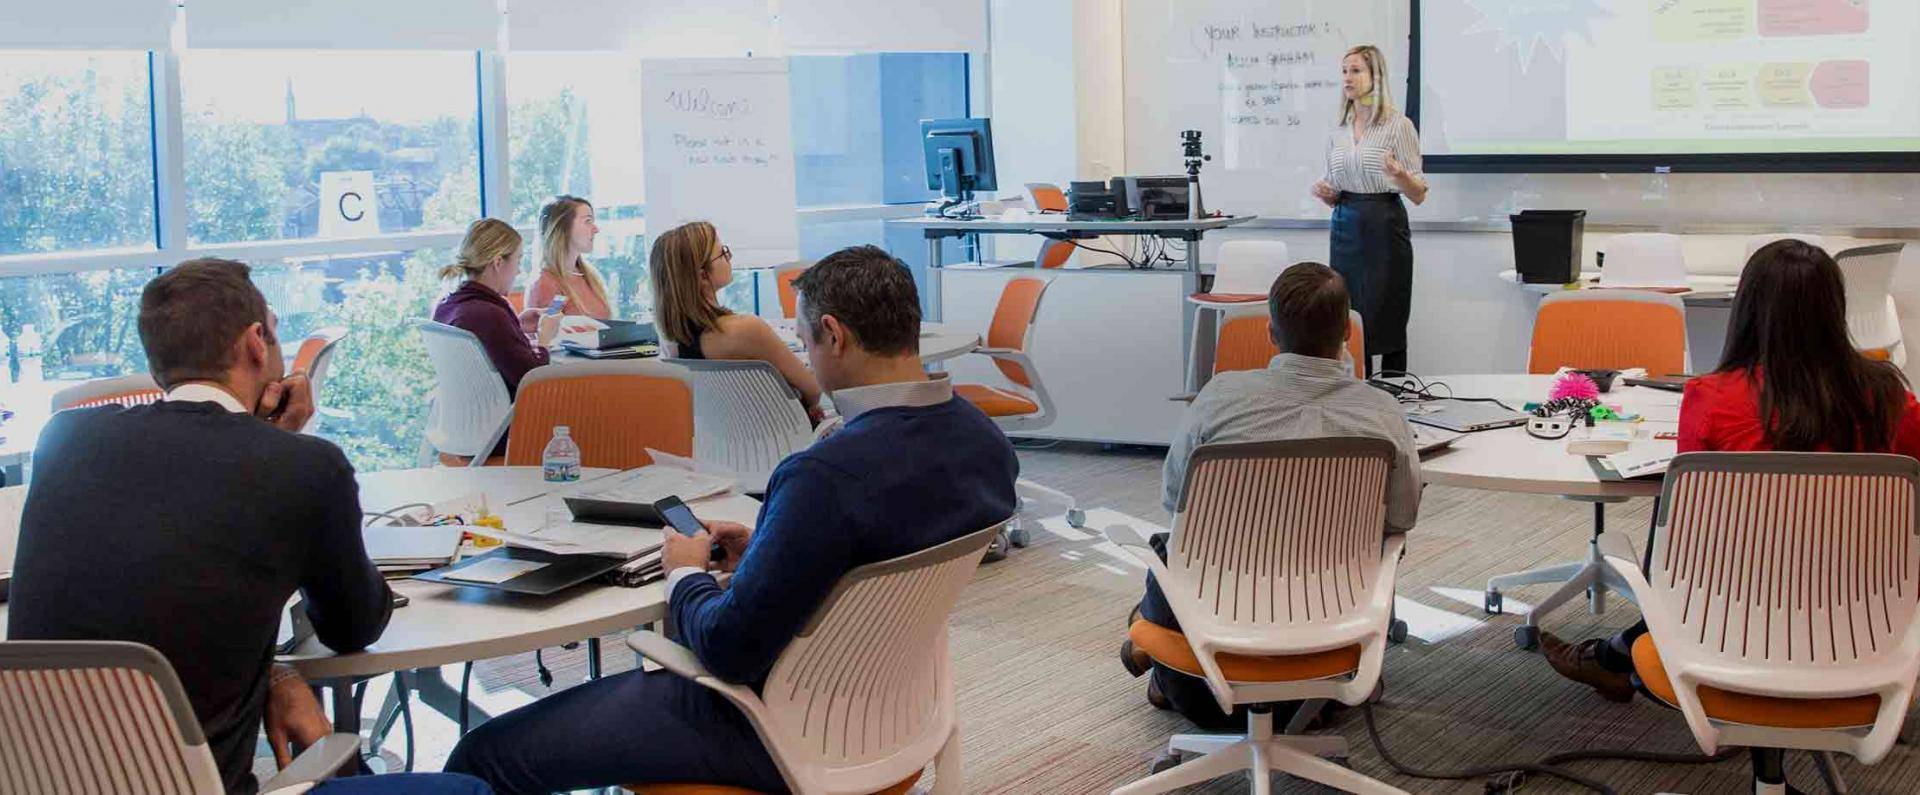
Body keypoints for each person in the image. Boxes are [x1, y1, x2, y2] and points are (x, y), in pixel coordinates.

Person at [445, 245, 1019, 794]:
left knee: (480, 757)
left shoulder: (825, 477)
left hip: (772, 725)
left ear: (835, 336)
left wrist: (685, 574)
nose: (808, 361)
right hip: (898, 710)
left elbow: (728, 649)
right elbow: (872, 553)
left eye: (807, 343)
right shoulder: (987, 447)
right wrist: (772, 547)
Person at [7, 259, 489, 795]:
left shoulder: (64, 439)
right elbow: (353, 627)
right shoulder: (304, 468)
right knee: (467, 789)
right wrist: (284, 443)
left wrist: (274, 673)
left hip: (40, 783)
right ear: (257, 342)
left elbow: (163, 592)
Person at [1542, 240, 1920, 701]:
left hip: (1732, 614)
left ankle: (1623, 654)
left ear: (1747, 310)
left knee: (1675, 539)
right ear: (1833, 308)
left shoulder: (1713, 397)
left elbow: (1688, 515)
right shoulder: (1893, 400)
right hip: (1865, 616)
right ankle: (1621, 654)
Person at [1122, 262, 1423, 729]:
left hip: (1207, 675)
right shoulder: (1383, 412)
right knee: (1380, 551)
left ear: (1270, 331)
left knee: (1168, 548)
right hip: (1330, 670)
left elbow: (1173, 496)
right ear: (1347, 331)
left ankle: (1155, 648)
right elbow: (1402, 516)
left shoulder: (1220, 397)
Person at [1310, 44, 1427, 378]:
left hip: (1385, 226)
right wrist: (1326, 194)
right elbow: (1335, 185)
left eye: (1356, 70)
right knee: (1349, 314)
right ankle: (1356, 394)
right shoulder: (1338, 130)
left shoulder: (1398, 125)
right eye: (1344, 70)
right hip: (1345, 225)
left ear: (1376, 76)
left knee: (1387, 313)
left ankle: (1393, 395)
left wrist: (1400, 175)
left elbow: (1418, 194)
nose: (1348, 77)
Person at [649, 220, 825, 422]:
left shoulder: (671, 341)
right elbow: (813, 389)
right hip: (784, 437)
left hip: (723, 445)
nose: (729, 258)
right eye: (723, 253)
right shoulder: (746, 330)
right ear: (703, 276)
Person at [434, 219, 560, 459]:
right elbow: (533, 380)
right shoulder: (489, 315)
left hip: (464, 429)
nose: (519, 271)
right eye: (518, 260)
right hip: (503, 433)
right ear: (498, 262)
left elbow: (490, 346)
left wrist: (516, 326)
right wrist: (545, 339)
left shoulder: (448, 306)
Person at [523, 195, 613, 322]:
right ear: (563, 227)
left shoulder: (590, 276)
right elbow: (548, 337)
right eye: (587, 221)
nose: (596, 229)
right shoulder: (545, 284)